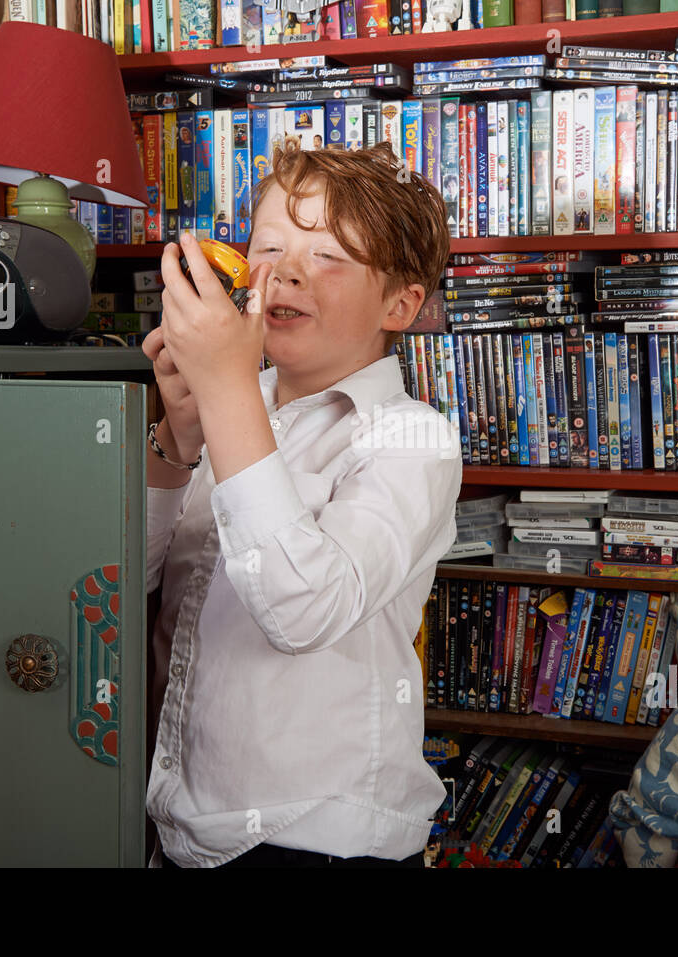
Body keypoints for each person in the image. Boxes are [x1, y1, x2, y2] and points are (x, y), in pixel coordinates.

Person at [142, 140, 461, 868]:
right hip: (182, 823)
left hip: (315, 839)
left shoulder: (415, 441)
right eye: (270, 246)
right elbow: (125, 583)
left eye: (328, 257)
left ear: (401, 303)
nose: (285, 270)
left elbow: (300, 610)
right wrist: (178, 438)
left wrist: (222, 392)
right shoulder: (232, 406)